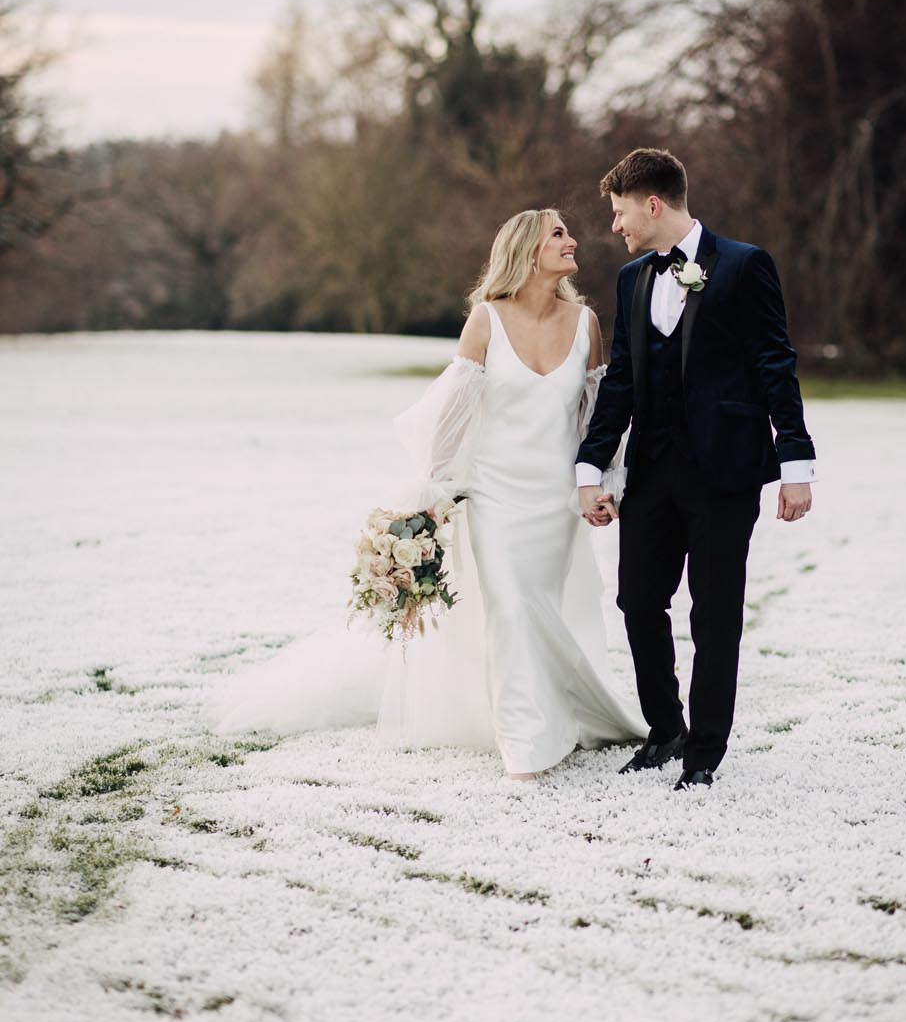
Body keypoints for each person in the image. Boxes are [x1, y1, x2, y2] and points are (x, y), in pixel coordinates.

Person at [210, 208, 644, 779]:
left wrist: (601, 482)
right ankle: (525, 745)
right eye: (557, 233)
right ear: (525, 251)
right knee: (511, 610)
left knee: (544, 613)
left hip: (555, 501)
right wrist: (433, 495)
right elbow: (449, 420)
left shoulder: (585, 322)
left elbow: (597, 418)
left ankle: (575, 709)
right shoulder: (486, 321)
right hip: (493, 496)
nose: (572, 240)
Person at [576, 148, 816, 790]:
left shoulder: (743, 266)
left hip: (724, 473)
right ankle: (665, 729)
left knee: (715, 614)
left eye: (622, 213)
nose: (617, 227)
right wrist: (590, 466)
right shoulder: (631, 281)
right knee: (636, 602)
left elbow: (775, 366)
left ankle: (705, 752)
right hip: (653, 471)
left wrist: (795, 461)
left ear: (653, 204)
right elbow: (621, 381)